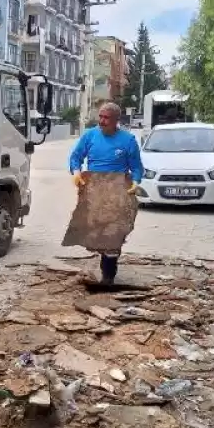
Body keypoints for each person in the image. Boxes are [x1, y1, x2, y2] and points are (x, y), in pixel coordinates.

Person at [69, 102, 143, 288]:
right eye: (100, 116)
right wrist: (76, 171)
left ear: (116, 120)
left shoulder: (128, 140)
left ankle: (108, 275)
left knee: (113, 233)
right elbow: (76, 156)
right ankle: (106, 263)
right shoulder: (90, 136)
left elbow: (136, 166)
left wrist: (136, 181)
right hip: (94, 189)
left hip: (117, 190)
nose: (101, 121)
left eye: (106, 117)